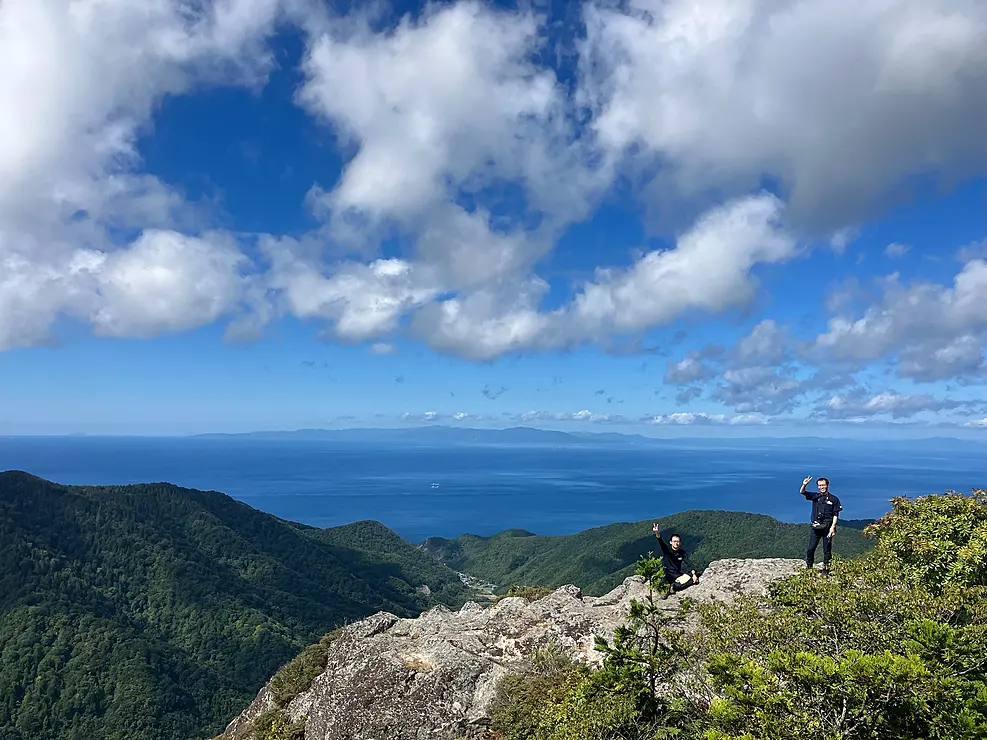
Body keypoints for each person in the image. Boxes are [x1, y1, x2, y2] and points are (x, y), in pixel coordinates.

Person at [799, 475, 843, 573]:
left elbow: (836, 514)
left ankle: (826, 569)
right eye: (819, 485)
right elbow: (802, 492)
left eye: (823, 485)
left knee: (827, 550)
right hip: (815, 527)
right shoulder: (815, 497)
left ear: (827, 485)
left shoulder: (834, 499)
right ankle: (809, 567)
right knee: (811, 548)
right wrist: (804, 484)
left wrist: (833, 527)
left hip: (827, 527)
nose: (821, 487)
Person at [652, 521, 698, 597]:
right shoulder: (667, 550)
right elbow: (661, 542)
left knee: (695, 578)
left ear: (680, 543)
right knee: (661, 587)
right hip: (667, 575)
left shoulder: (682, 553)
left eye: (678, 541)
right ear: (670, 542)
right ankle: (671, 587)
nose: (676, 543)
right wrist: (657, 533)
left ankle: (673, 586)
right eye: (674, 541)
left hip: (677, 575)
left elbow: (689, 563)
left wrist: (694, 574)